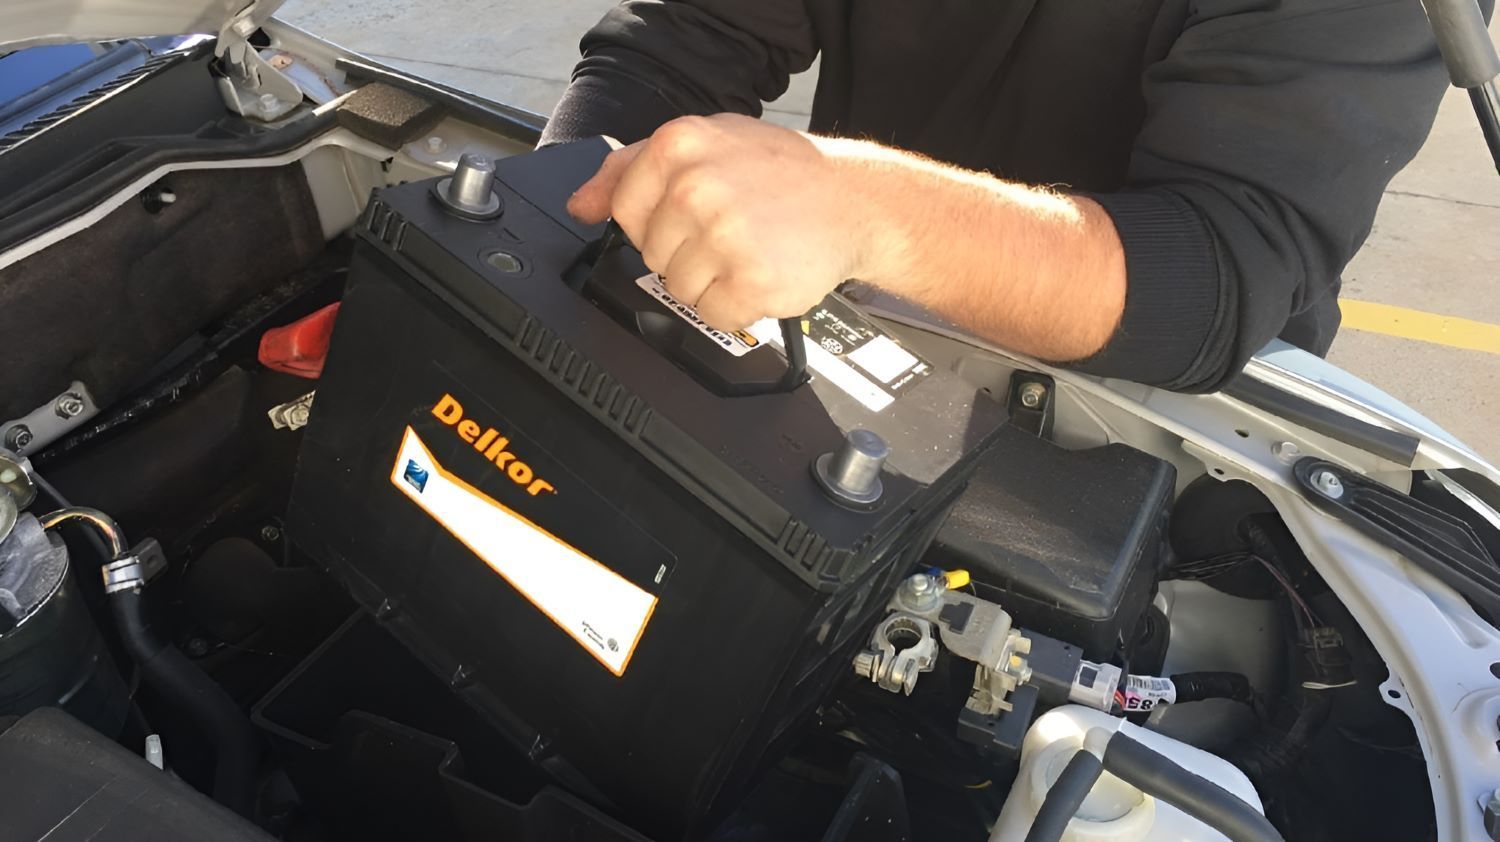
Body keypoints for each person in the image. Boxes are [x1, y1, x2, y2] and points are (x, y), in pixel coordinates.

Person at [541, 0, 1454, 392]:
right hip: (855, 330)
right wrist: (542, 241)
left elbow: (1216, 271)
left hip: (1149, 430)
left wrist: (865, 210)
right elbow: (685, 41)